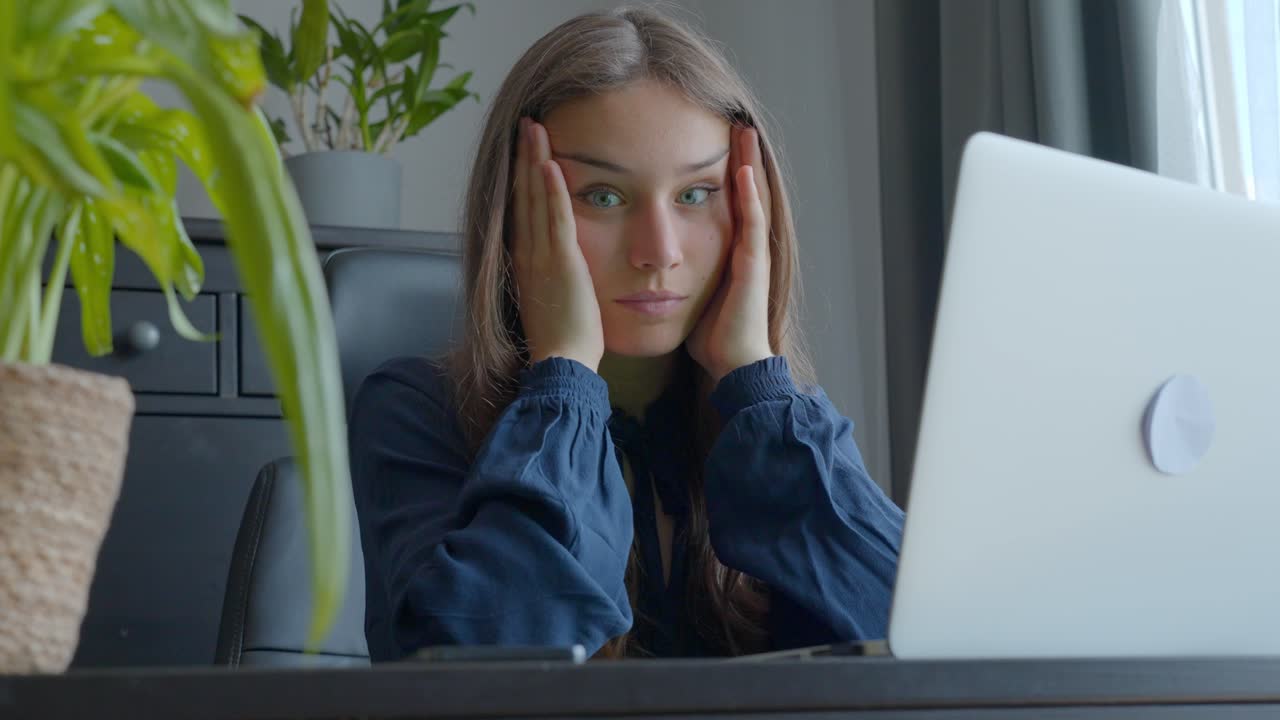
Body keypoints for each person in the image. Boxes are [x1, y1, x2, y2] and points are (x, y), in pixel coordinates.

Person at [348, 3, 905, 660]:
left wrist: (757, 379)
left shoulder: (777, 430)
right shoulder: (415, 409)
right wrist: (566, 381)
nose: (659, 250)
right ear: (517, 217)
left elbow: (929, 655)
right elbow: (486, 670)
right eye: (604, 197)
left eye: (696, 194)